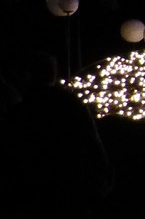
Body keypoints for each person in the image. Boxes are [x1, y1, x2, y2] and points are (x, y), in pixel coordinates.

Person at [2, 51, 113, 219]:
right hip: (73, 188)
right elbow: (92, 143)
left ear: (28, 76)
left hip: (37, 193)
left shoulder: (22, 110)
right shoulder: (71, 104)